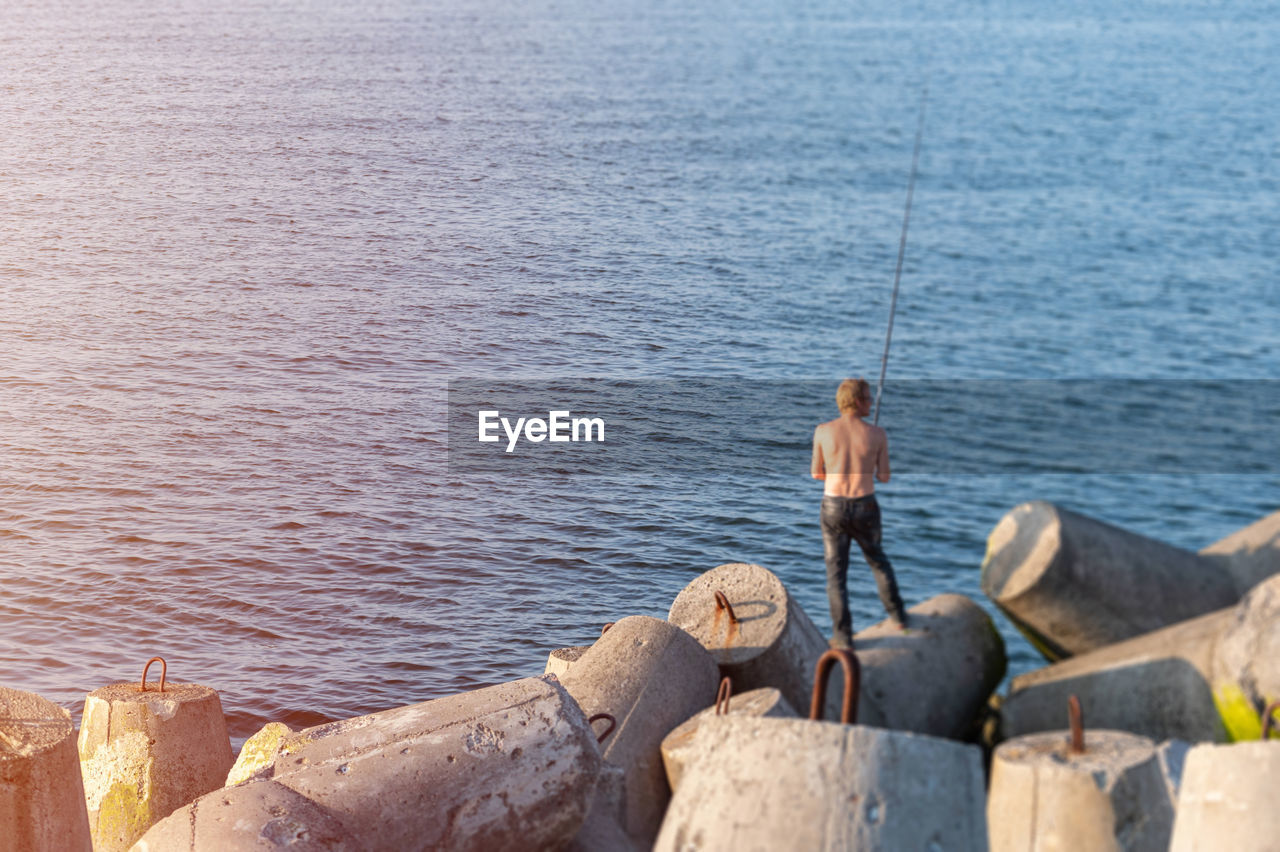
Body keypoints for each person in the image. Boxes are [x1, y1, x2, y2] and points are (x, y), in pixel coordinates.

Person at [811, 377, 908, 648]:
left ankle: (843, 637)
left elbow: (817, 473)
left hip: (832, 507)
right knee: (878, 561)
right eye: (867, 398)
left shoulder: (822, 431)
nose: (871, 402)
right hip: (865, 505)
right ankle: (898, 617)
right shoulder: (877, 434)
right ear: (856, 401)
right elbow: (885, 477)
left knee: (836, 575)